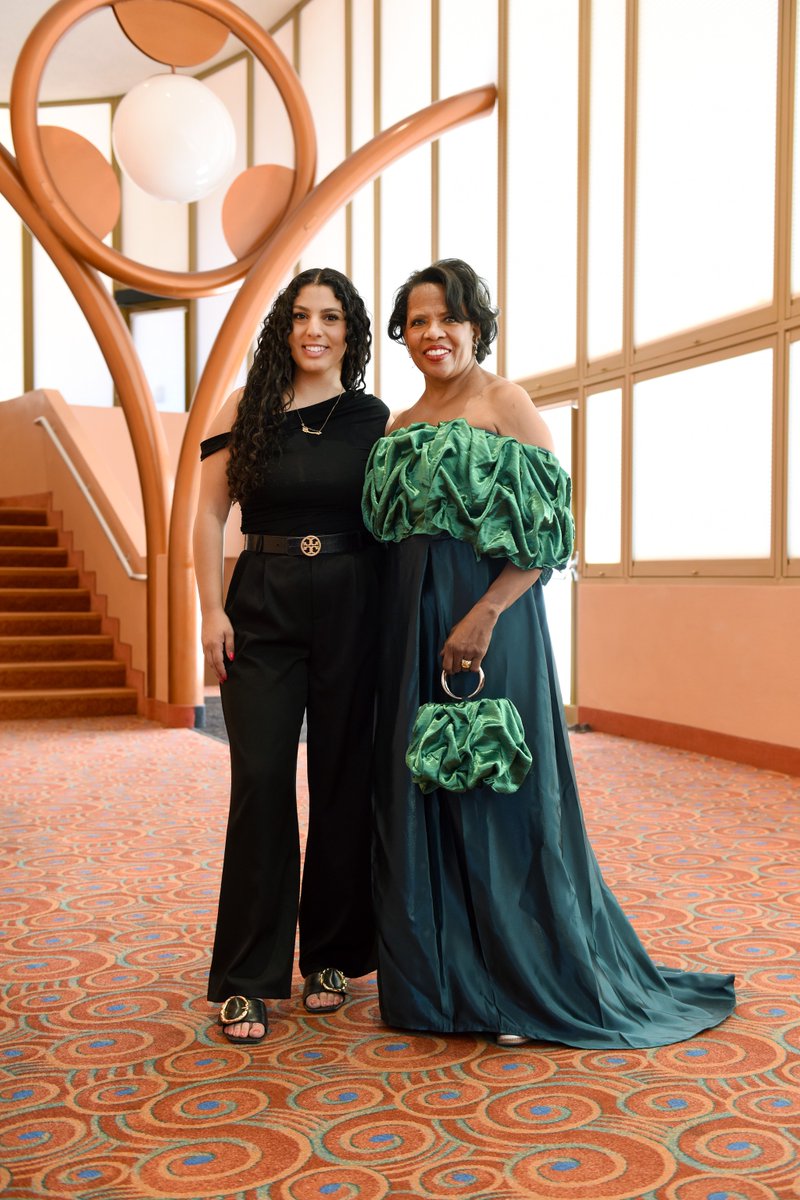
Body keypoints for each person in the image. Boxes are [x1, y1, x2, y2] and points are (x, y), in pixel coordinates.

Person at [361, 258, 735, 1048]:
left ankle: (520, 982)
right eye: (419, 321)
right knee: (424, 788)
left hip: (490, 620)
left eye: (448, 318)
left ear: (475, 326)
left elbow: (552, 529)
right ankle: (441, 988)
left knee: (499, 787)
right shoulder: (397, 425)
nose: (433, 334)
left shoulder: (505, 403)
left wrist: (486, 612)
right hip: (410, 622)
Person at [194, 267, 389, 1043]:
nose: (316, 330)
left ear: (351, 332)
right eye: (303, 316)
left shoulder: (374, 419)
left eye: (332, 318)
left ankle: (335, 954)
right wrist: (209, 607)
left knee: (344, 778)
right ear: (284, 325)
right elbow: (208, 516)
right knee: (264, 781)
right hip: (263, 604)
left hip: (354, 603)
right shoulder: (245, 409)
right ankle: (248, 977)